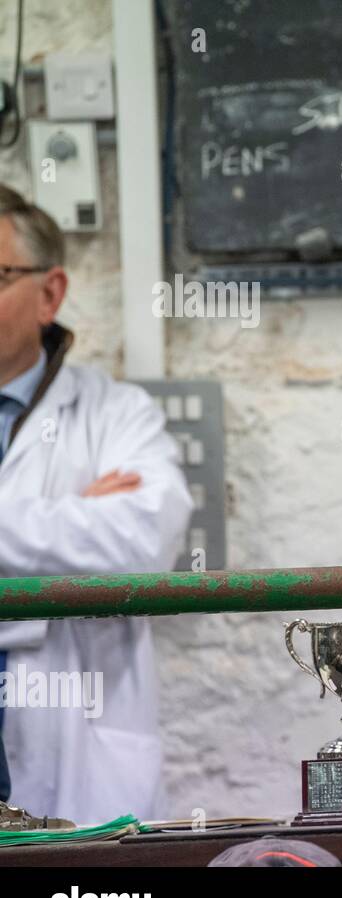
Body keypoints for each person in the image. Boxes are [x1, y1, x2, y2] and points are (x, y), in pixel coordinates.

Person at [0, 185, 192, 822]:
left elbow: (144, 542)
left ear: (49, 294)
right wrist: (70, 514)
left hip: (77, 746)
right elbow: (98, 542)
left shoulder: (116, 414)